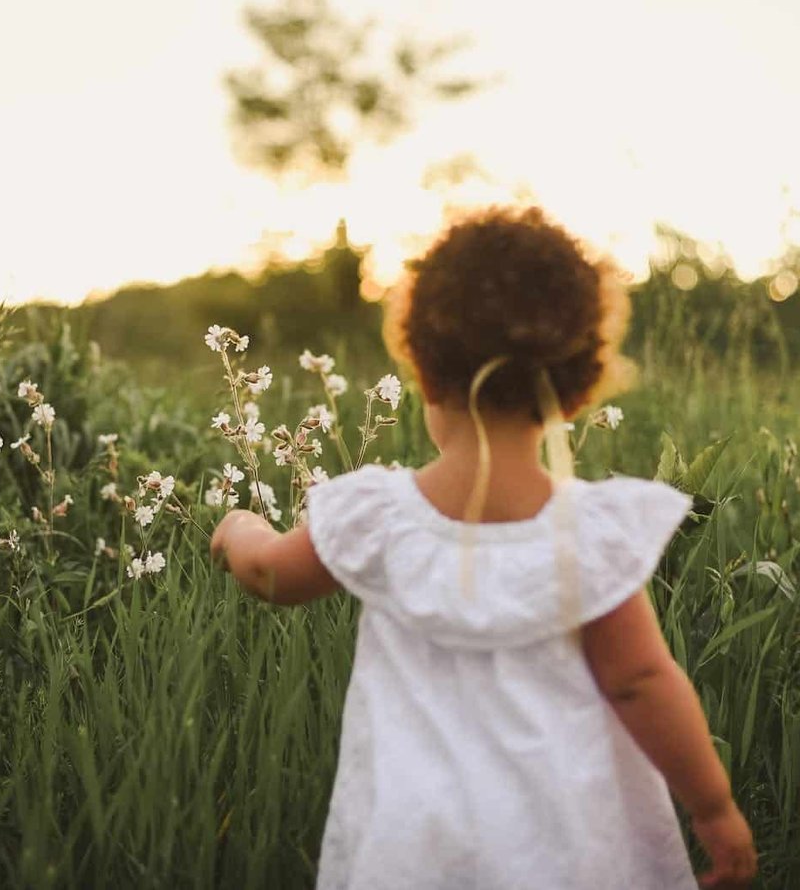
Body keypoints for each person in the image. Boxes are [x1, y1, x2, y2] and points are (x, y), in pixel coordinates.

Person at [210, 206, 758, 889]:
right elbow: (642, 680)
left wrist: (237, 528)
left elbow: (268, 574)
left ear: (423, 369)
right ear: (575, 390)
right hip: (566, 849)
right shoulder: (587, 535)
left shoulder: (379, 516)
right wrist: (714, 809)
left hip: (415, 849)